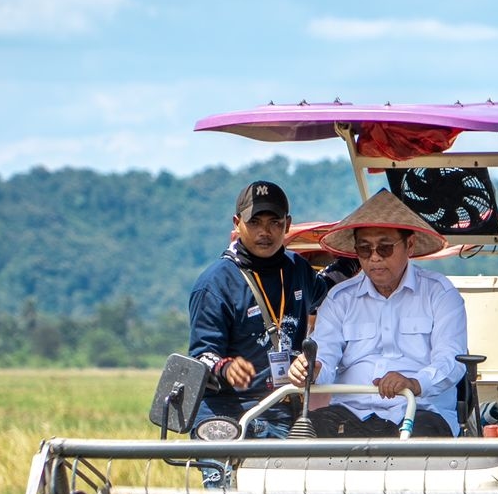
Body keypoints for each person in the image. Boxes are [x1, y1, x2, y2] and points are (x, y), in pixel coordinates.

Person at [291, 189, 468, 438]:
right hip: (349, 413)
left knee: (424, 441)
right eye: (364, 249)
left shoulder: (440, 293)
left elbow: (451, 360)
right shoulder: (340, 298)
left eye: (384, 248)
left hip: (420, 410)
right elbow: (325, 354)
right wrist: (312, 368)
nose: (374, 258)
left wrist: (414, 383)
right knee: (304, 434)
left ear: (410, 245)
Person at [187, 179, 328, 439]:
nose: (265, 232)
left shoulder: (299, 269)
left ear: (287, 224)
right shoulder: (215, 284)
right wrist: (226, 367)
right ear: (236, 223)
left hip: (285, 412)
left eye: (274, 223)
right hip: (226, 416)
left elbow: (334, 298)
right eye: (255, 223)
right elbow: (200, 357)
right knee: (228, 482)